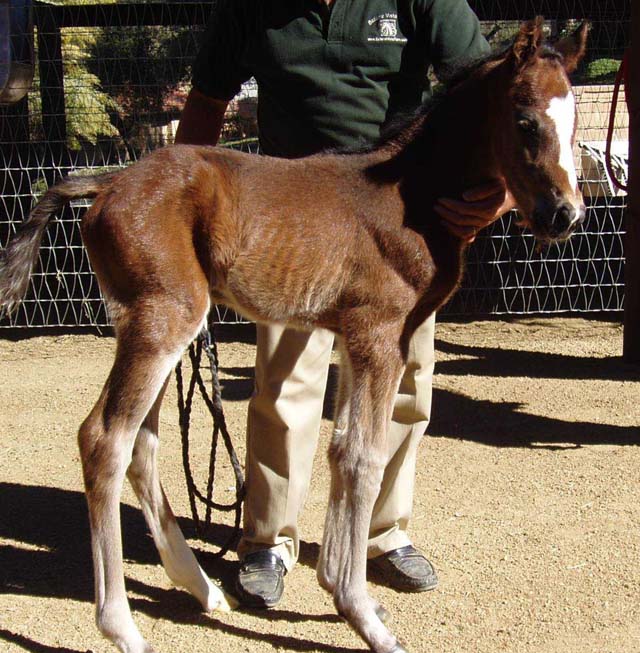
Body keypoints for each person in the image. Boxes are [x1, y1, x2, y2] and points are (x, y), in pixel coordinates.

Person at [176, 0, 512, 608]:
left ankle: (380, 533)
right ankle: (270, 539)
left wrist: (501, 193)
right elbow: (206, 100)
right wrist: (183, 226)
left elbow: (499, 88)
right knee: (286, 379)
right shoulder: (251, 7)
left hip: (402, 216)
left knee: (403, 376)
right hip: (291, 215)